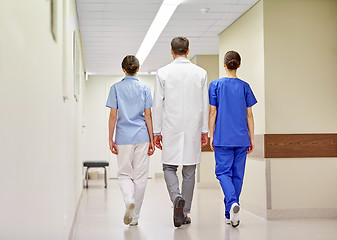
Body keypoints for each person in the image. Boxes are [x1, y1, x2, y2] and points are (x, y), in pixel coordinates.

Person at [152, 37, 209, 227]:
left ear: (171, 51)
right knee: (190, 170)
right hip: (192, 126)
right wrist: (204, 130)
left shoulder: (162, 73)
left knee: (169, 167)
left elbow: (158, 104)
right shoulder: (200, 73)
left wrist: (156, 131)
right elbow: (204, 104)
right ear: (188, 50)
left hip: (171, 126)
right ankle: (184, 213)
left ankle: (176, 198)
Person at [208, 51, 257, 228]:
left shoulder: (215, 85)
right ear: (239, 65)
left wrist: (211, 134)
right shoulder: (245, 86)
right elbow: (249, 115)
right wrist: (252, 138)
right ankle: (230, 213)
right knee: (238, 175)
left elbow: (213, 112)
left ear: (224, 64)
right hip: (242, 138)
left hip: (222, 137)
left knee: (222, 173)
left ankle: (231, 205)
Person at [106, 55, 155, 226]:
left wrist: (110, 138)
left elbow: (113, 116)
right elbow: (148, 115)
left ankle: (128, 200)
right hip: (142, 136)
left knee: (124, 174)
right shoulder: (145, 88)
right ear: (138, 69)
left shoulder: (116, 88)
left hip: (123, 137)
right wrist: (152, 139)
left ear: (123, 69)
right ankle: (135, 217)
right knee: (140, 177)